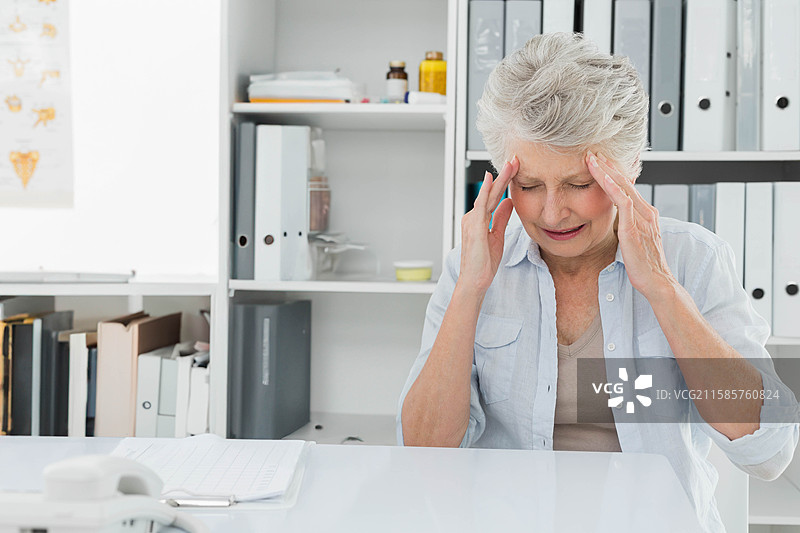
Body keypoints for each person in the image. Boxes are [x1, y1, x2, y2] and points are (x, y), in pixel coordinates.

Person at [396, 32, 799, 533]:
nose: (551, 212)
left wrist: (660, 288)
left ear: (629, 169)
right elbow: (424, 454)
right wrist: (471, 289)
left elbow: (768, 451)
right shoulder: (474, 267)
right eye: (528, 185)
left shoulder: (694, 260)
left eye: (580, 185)